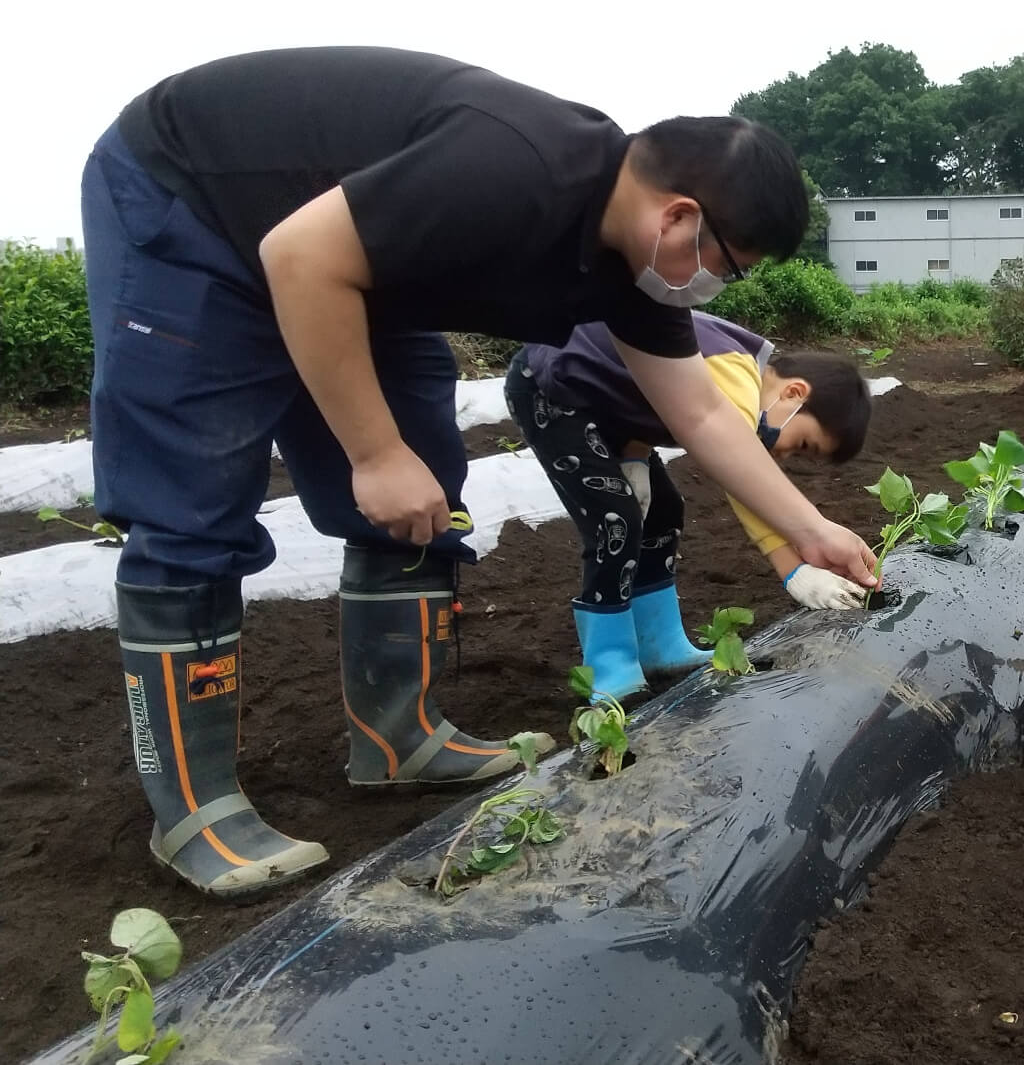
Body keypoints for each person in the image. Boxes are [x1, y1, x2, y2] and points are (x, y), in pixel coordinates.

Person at [80, 46, 877, 897]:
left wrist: (810, 530)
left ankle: (396, 736)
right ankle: (193, 809)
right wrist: (374, 453)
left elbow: (704, 414)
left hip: (355, 267)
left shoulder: (635, 273)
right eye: (730, 266)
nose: (720, 288)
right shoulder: (516, 168)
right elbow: (302, 257)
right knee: (193, 497)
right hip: (195, 206)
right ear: (680, 217)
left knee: (429, 483)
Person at [507, 312, 873, 700]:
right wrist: (792, 569)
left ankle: (660, 646)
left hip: (602, 406)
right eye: (802, 445)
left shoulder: (730, 367)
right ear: (794, 393)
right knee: (618, 524)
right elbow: (737, 472)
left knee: (663, 510)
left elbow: (633, 390)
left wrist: (633, 456)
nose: (785, 457)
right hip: (553, 391)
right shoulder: (734, 371)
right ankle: (610, 667)